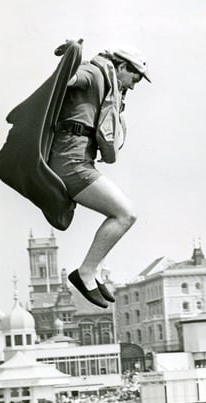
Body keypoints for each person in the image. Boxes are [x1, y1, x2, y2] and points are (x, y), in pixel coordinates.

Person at [48, 46, 151, 308]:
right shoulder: (94, 73)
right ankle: (85, 272)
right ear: (122, 67)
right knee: (125, 214)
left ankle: (91, 272)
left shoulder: (106, 83)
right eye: (135, 78)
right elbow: (66, 81)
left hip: (80, 162)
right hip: (70, 164)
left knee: (122, 215)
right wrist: (70, 60)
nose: (134, 86)